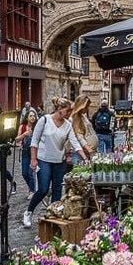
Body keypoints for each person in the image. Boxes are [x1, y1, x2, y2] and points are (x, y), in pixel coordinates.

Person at [22, 97, 88, 228]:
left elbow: (75, 142)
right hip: (43, 159)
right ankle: (28, 212)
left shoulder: (68, 125)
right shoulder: (44, 120)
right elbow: (34, 141)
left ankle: (53, 217)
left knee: (57, 191)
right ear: (59, 109)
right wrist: (33, 159)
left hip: (59, 161)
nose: (69, 114)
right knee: (43, 189)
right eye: (67, 111)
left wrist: (84, 157)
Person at [16, 108, 38, 197]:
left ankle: (32, 191)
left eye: (34, 116)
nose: (33, 118)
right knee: (24, 173)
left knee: (31, 173)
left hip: (35, 152)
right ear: (27, 117)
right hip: (25, 151)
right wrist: (24, 134)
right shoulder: (22, 126)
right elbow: (17, 139)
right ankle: (32, 188)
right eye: (31, 116)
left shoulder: (37, 127)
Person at [71, 95, 98, 165]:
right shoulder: (75, 118)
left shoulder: (83, 116)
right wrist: (89, 149)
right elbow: (79, 136)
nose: (87, 108)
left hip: (89, 151)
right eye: (87, 106)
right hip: (82, 153)